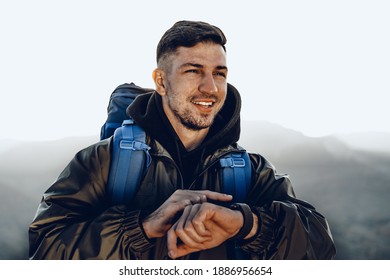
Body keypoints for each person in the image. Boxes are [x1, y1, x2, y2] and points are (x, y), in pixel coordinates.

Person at [28, 20, 336, 260]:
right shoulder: (102, 161)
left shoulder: (253, 171)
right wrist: (142, 227)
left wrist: (246, 224)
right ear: (161, 81)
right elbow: (44, 248)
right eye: (194, 70)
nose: (211, 87)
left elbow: (320, 248)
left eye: (220, 73)